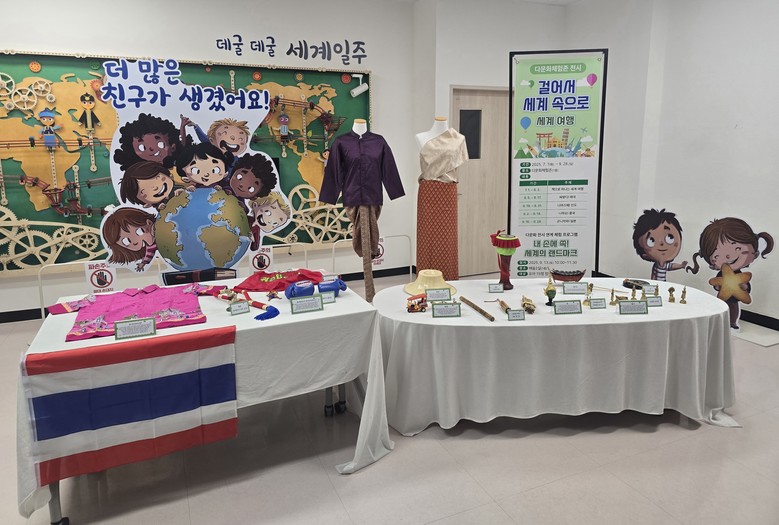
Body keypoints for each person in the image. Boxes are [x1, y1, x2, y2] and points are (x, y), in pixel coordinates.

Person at [687, 217, 774, 329]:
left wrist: (744, 286)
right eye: (717, 255)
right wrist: (718, 286)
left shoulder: (741, 275)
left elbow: (746, 286)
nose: (728, 256)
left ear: (754, 253)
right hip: (723, 296)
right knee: (720, 308)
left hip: (734, 298)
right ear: (711, 262)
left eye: (737, 248)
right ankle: (720, 322)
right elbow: (716, 282)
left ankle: (732, 323)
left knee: (733, 308)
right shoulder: (722, 274)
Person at [414, 116, 469, 280]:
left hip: (448, 192)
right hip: (428, 192)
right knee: (426, 238)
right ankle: (425, 279)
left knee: (447, 239)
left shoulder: (459, 139)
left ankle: (448, 279)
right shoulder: (421, 137)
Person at [632, 208, 687, 281]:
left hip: (663, 284)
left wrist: (681, 266)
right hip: (657, 284)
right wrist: (652, 283)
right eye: (651, 241)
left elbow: (671, 266)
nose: (661, 243)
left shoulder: (665, 265)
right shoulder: (656, 266)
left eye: (670, 237)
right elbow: (653, 275)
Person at [113, 113, 183, 170]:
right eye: (142, 147)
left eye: (160, 144)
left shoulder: (178, 166)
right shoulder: (141, 172)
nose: (151, 149)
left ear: (173, 147)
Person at [102, 207, 157, 272]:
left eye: (140, 231)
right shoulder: (150, 247)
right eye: (127, 241)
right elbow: (149, 254)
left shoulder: (159, 225)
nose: (135, 241)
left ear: (149, 222)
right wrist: (143, 263)